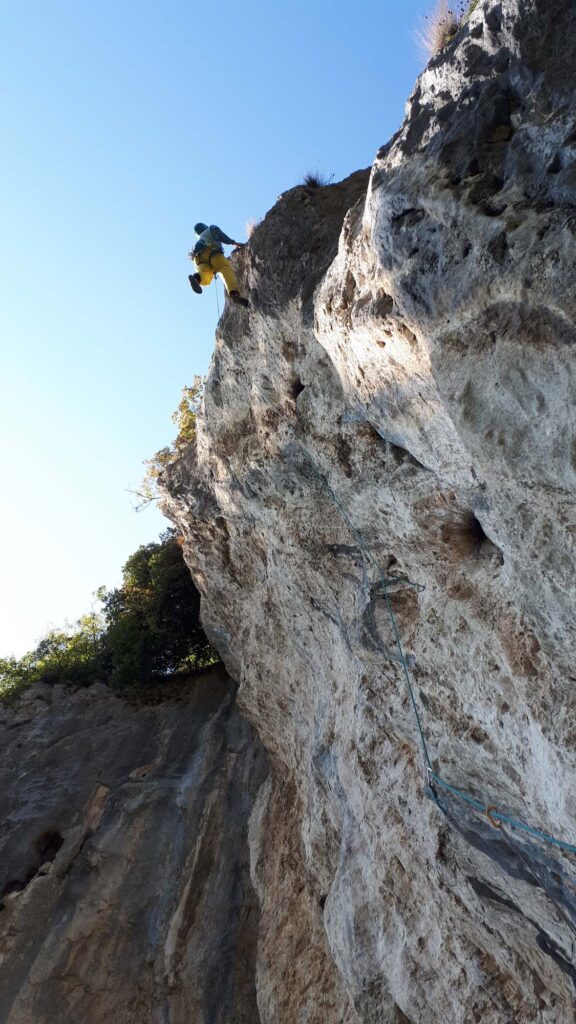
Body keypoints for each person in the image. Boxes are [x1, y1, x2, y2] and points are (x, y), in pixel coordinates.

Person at [188, 223, 249, 307]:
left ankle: (196, 279)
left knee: (206, 277)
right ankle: (234, 293)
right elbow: (221, 236)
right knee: (225, 269)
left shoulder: (198, 241)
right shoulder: (210, 230)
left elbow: (197, 249)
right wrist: (234, 243)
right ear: (204, 226)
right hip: (214, 254)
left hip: (200, 259)